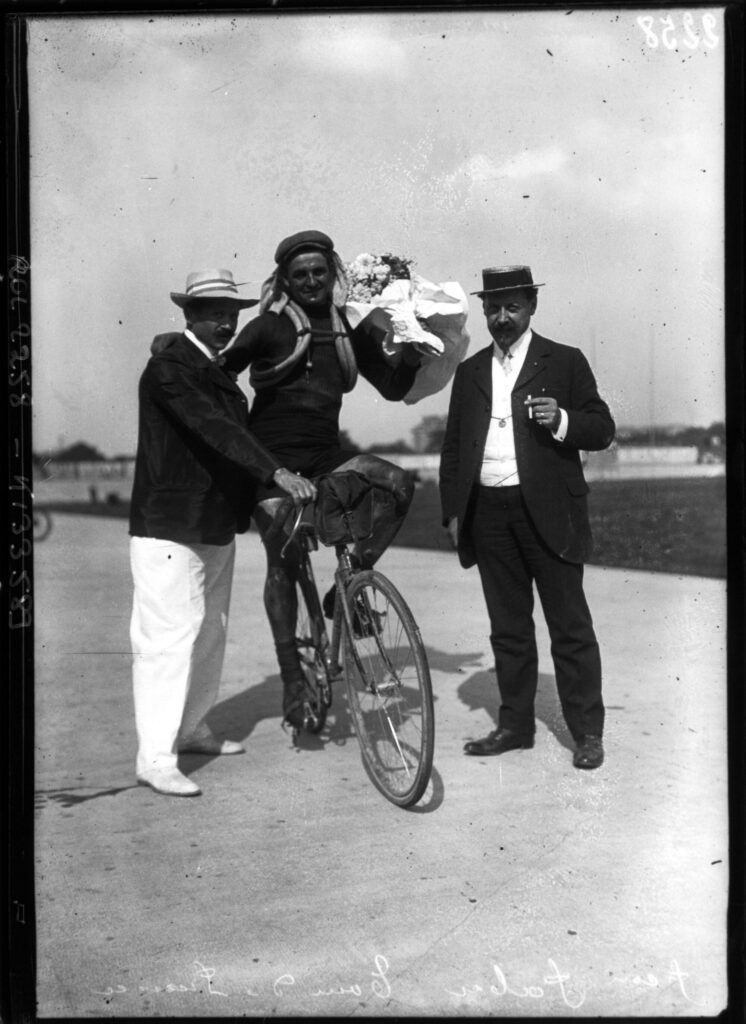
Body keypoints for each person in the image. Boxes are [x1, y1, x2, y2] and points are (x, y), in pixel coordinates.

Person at [152, 231, 421, 732]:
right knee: (285, 552)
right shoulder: (268, 328)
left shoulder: (351, 329)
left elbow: (397, 386)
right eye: (301, 275)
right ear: (285, 282)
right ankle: (293, 680)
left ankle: (345, 587)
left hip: (326, 452)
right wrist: (173, 348)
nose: (312, 281)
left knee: (399, 484)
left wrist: (407, 338)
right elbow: (214, 371)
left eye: (320, 271)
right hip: (271, 459)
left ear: (334, 272)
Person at [129, 269, 312, 797]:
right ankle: (156, 757)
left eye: (231, 316)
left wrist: (268, 493)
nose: (225, 325)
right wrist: (275, 471)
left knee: (209, 631)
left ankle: (191, 729)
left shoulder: (220, 376)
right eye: (213, 315)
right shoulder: (169, 368)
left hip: (213, 525)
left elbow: (229, 446)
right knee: (167, 640)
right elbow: (216, 429)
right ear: (188, 315)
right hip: (168, 527)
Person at [439, 265, 615, 769]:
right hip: (488, 514)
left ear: (532, 306)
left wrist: (560, 419)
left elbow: (602, 428)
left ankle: (587, 734)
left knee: (570, 627)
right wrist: (455, 511)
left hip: (550, 512)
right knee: (508, 628)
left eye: (511, 306)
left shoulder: (564, 361)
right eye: (493, 308)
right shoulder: (470, 371)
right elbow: (453, 449)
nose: (501, 317)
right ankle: (515, 726)